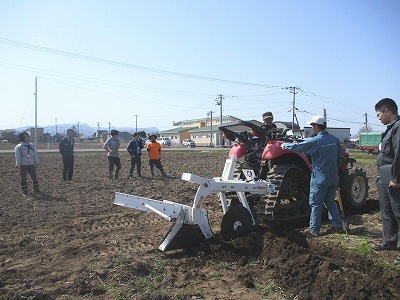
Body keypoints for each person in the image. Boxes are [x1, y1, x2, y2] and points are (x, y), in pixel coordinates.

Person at [281, 115, 343, 237]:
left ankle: (314, 230)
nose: (311, 128)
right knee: (330, 202)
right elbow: (339, 158)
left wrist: (284, 145)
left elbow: (298, 147)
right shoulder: (335, 140)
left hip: (319, 178)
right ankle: (338, 225)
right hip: (333, 177)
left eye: (312, 125)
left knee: (315, 204)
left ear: (315, 126)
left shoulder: (315, 141)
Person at [372, 98, 400, 265]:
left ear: (387, 111)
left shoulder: (398, 128)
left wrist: (396, 178)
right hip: (384, 177)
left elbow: (398, 155)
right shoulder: (390, 129)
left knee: (398, 212)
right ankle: (389, 241)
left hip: (393, 177)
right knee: (386, 211)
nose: (379, 118)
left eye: (379, 114)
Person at [15, 131, 40, 196]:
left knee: (34, 177)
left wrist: (37, 162)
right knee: (23, 177)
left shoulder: (31, 145)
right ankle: (25, 191)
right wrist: (19, 167)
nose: (27, 138)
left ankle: (36, 189)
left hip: (31, 164)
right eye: (25, 137)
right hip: (23, 165)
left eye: (27, 136)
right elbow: (18, 157)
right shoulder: (19, 147)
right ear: (22, 138)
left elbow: (34, 154)